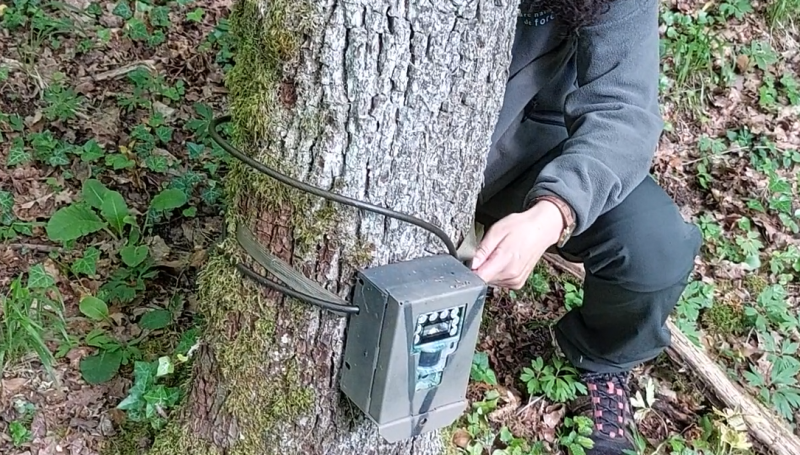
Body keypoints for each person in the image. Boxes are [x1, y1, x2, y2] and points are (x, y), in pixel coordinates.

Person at [469, 0, 703, 453]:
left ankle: (601, 358)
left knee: (654, 249)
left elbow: (624, 109)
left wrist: (553, 210)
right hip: (395, 150)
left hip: (526, 153)